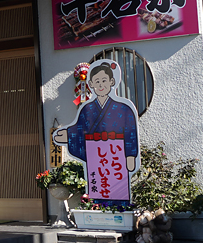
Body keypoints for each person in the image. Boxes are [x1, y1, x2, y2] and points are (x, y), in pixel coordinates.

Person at [53, 60, 139, 202]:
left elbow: (130, 132)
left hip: (115, 155)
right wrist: (68, 135)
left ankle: (119, 207)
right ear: (91, 84)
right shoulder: (87, 109)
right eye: (96, 81)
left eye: (104, 81)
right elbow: (80, 129)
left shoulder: (124, 109)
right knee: (99, 186)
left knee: (117, 188)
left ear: (112, 82)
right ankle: (98, 207)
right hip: (97, 156)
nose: (100, 85)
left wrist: (130, 156)